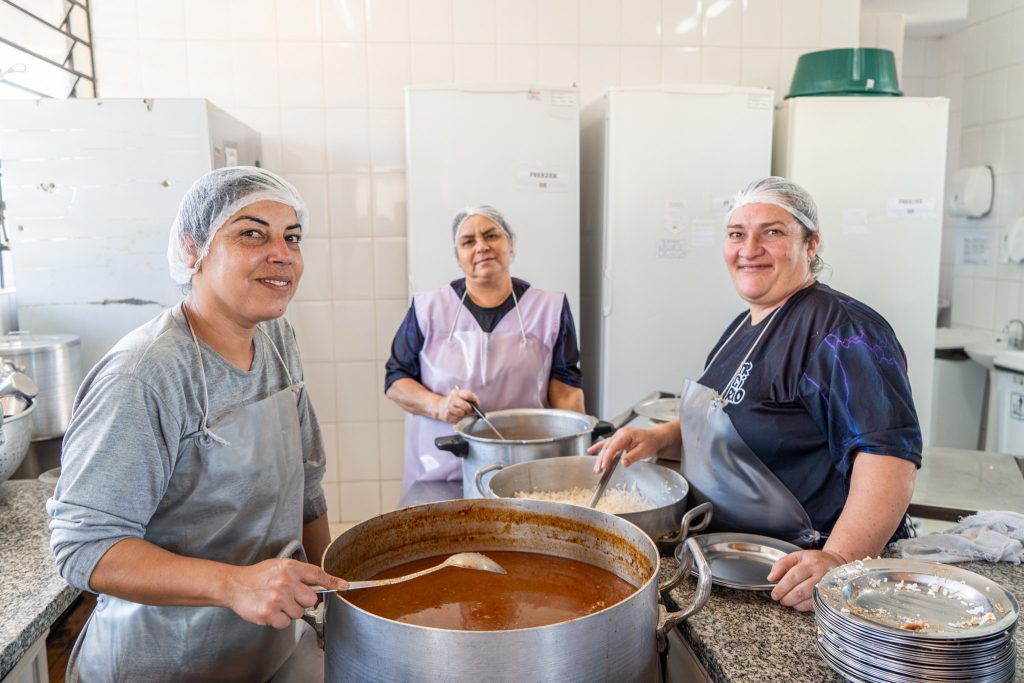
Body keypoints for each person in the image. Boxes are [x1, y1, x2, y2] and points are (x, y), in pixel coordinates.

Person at [47, 167, 347, 682]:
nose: (283, 253)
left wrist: (340, 607)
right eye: (252, 233)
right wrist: (235, 586)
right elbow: (84, 547)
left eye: (291, 237)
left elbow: (307, 486)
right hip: (160, 662)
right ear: (193, 249)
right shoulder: (145, 374)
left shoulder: (277, 339)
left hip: (264, 651)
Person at [593, 177, 920, 612]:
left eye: (773, 231)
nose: (749, 248)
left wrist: (839, 560)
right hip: (733, 559)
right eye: (737, 234)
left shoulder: (843, 330)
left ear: (811, 243)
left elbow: (887, 457)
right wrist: (661, 437)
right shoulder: (746, 325)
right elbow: (738, 413)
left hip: (797, 573)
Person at [385, 205, 585, 492]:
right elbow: (396, 380)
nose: (481, 247)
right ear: (458, 257)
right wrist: (439, 406)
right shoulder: (427, 308)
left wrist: (575, 464)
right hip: (440, 471)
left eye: (491, 236)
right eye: (468, 241)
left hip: (527, 470)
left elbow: (566, 391)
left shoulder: (550, 309)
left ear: (511, 244)